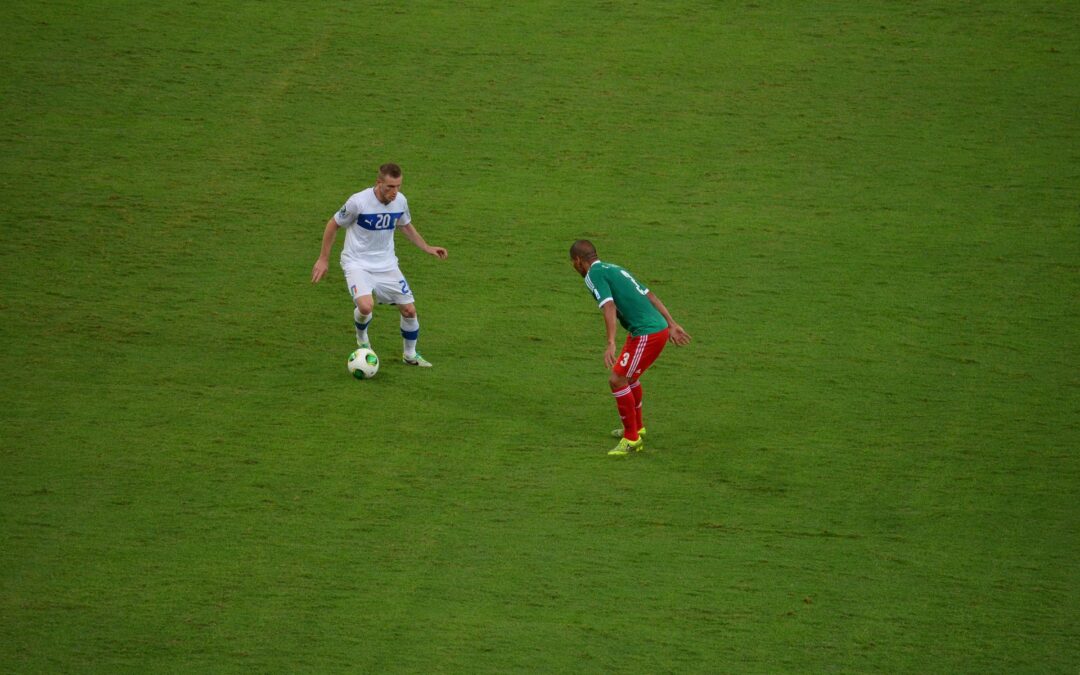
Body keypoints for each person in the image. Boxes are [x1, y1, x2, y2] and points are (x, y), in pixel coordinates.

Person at [312, 163, 447, 367]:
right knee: (366, 306)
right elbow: (333, 225)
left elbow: (405, 225)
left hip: (387, 265)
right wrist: (323, 259)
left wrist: (426, 247)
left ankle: (410, 356)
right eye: (390, 187)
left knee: (409, 310)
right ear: (379, 183)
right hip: (357, 263)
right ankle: (362, 339)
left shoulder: (400, 201)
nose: (395, 192)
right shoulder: (358, 202)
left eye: (398, 186)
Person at [570, 240, 691, 456]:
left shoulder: (592, 276)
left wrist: (610, 342)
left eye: (573, 263)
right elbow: (649, 294)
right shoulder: (615, 268)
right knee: (630, 378)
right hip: (649, 330)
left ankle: (631, 438)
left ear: (579, 261)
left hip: (647, 333)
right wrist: (671, 323)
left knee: (617, 380)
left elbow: (608, 306)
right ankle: (638, 428)